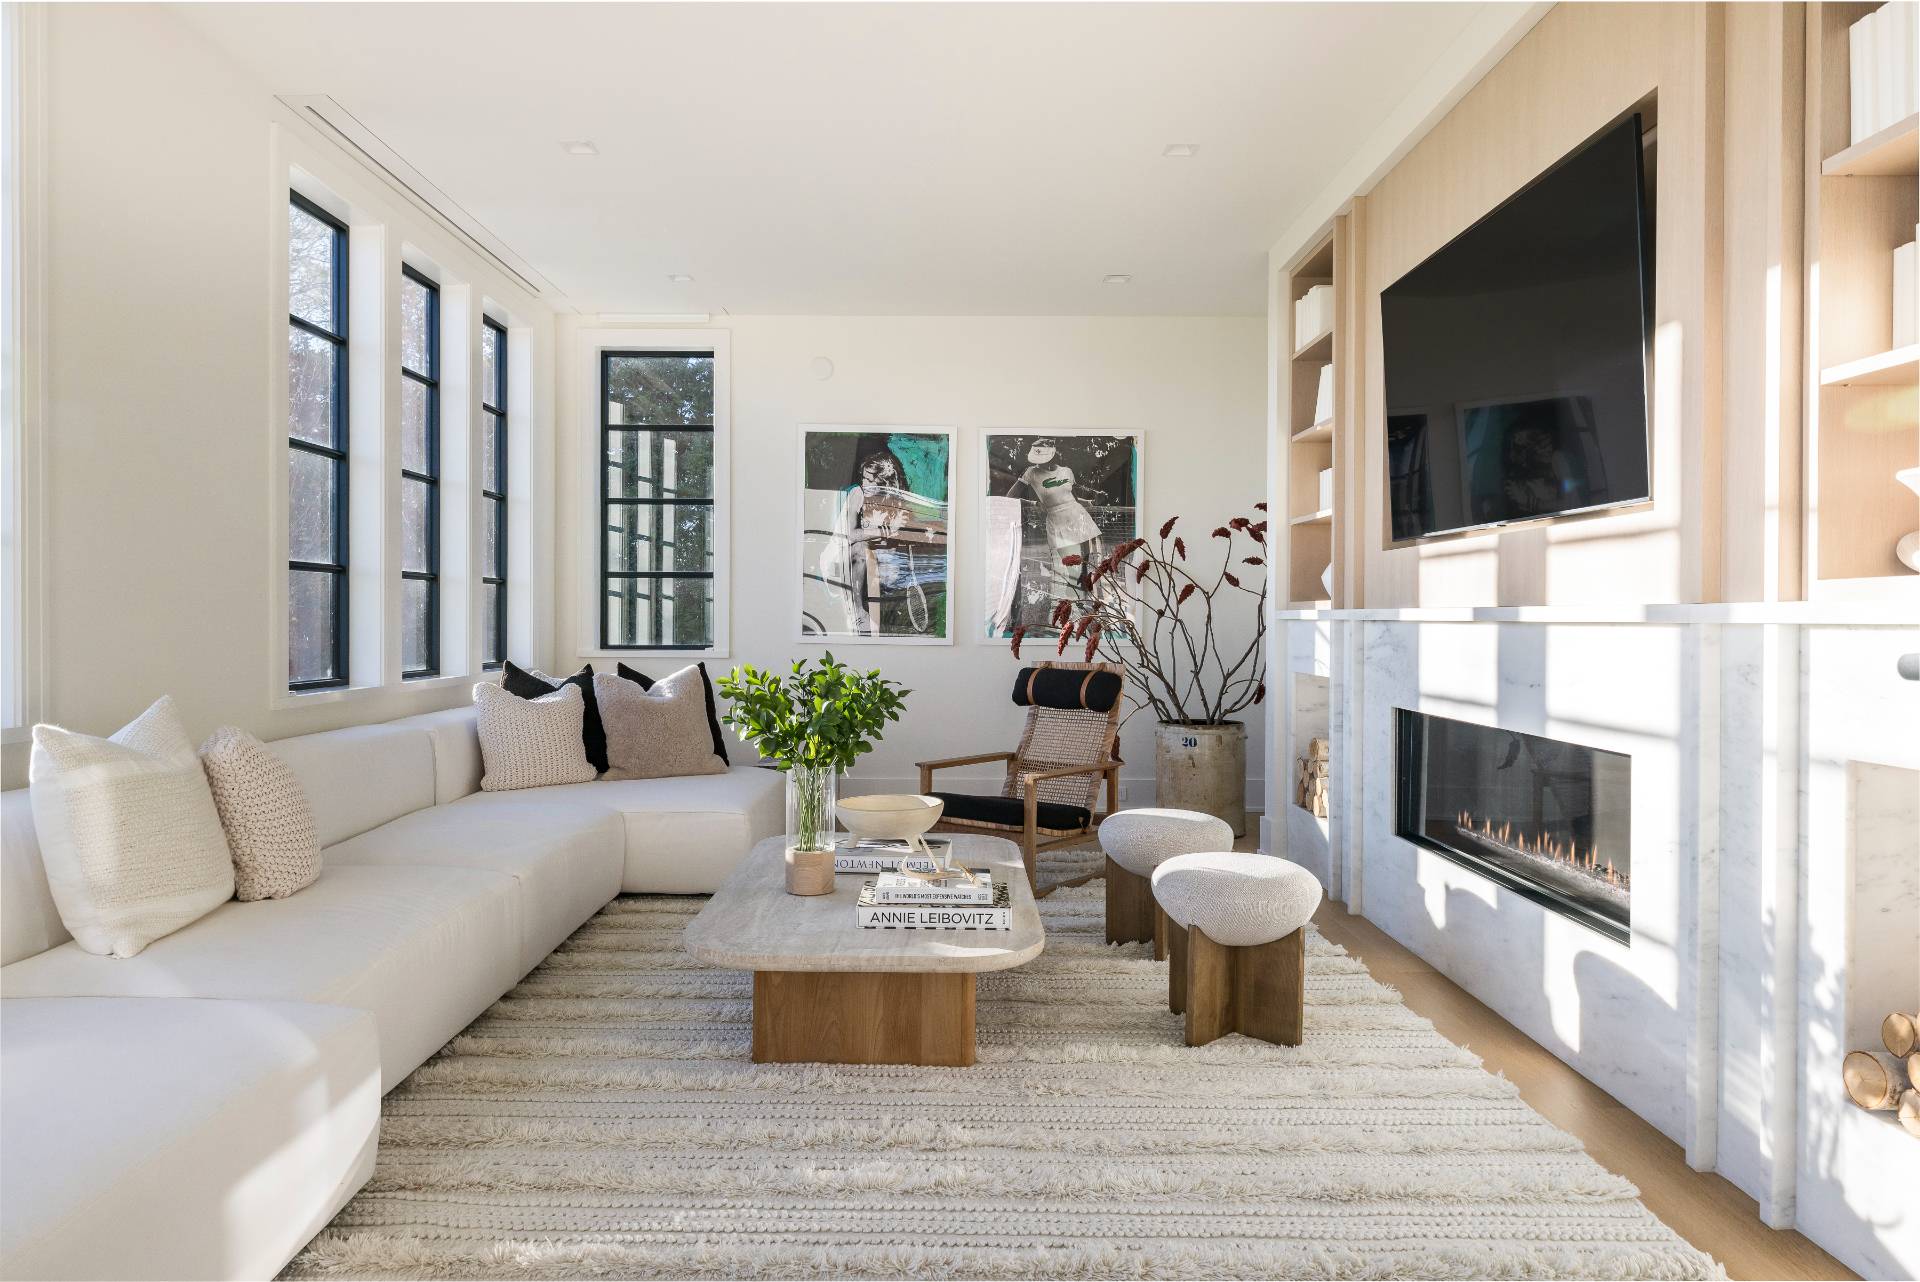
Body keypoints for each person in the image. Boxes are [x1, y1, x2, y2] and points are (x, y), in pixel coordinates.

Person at [824, 444, 938, 635]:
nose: (864, 483)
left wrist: (900, 530)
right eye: (863, 478)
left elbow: (893, 539)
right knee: (860, 548)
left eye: (870, 480)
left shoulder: (894, 502)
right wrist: (883, 530)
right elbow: (849, 535)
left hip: (872, 565)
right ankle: (857, 611)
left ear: (884, 484)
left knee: (888, 566)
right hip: (839, 560)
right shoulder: (857, 494)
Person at [1006, 437, 1106, 591]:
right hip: (1056, 520)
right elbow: (1010, 497)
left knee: (1084, 570)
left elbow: (1072, 497)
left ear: (1053, 454)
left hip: (1078, 516)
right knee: (1071, 568)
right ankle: (1073, 596)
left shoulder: (1067, 471)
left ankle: (1084, 600)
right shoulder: (1031, 472)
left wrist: (1089, 502)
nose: (1040, 462)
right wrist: (1033, 503)